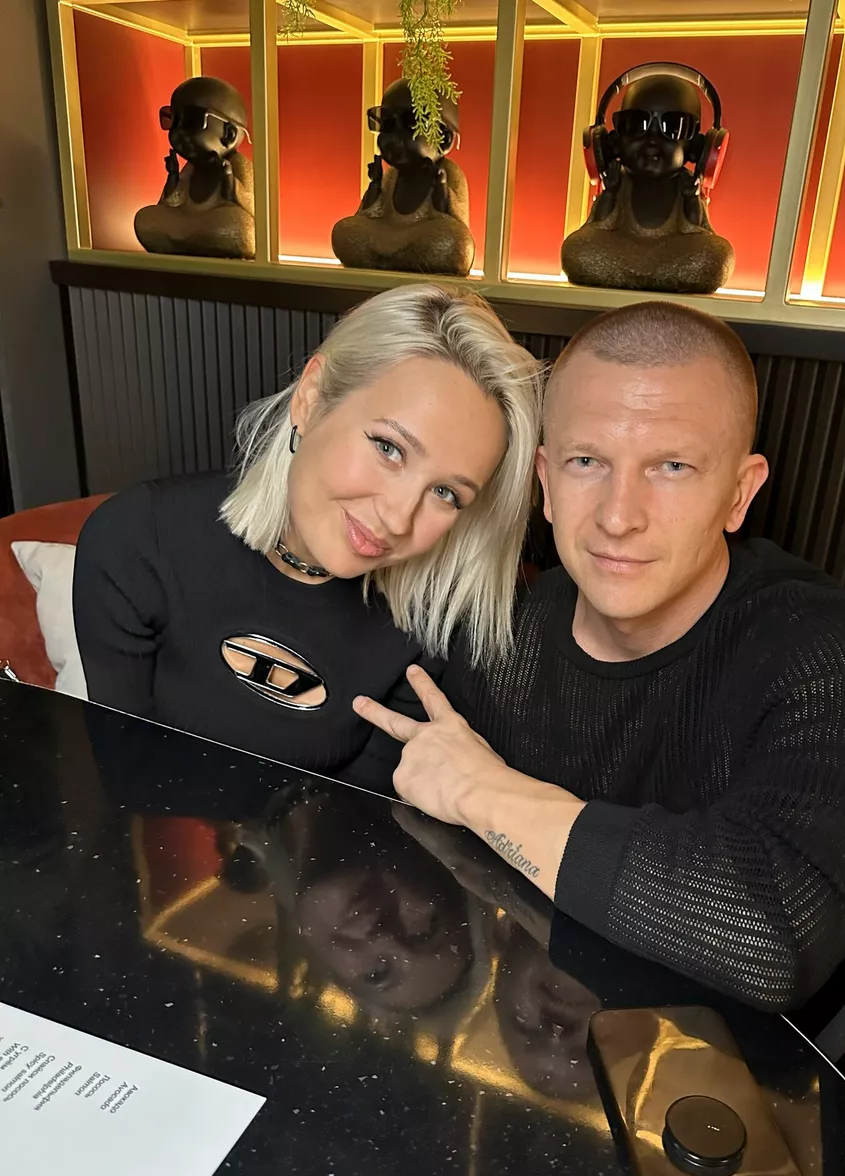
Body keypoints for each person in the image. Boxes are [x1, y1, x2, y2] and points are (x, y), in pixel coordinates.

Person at [354, 300, 845, 1012]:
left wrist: (485, 793)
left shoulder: (827, 649)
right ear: (547, 483)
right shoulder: (494, 627)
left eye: (672, 466)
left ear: (739, 494)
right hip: (512, 1031)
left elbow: (774, 937)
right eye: (587, 462)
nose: (619, 516)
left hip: (720, 1065)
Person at [74, 284, 543, 796]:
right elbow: (126, 778)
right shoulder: (138, 540)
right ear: (311, 398)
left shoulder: (433, 625)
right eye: (389, 448)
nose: (397, 517)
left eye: (446, 493)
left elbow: (359, 818)